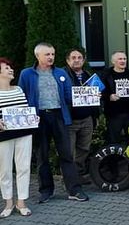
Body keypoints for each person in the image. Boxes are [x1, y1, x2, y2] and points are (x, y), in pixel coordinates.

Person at [18, 43, 88, 203]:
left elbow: (69, 95)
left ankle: (74, 190)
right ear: (38, 56)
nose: (51, 57)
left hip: (59, 116)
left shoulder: (60, 73)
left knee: (66, 155)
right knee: (42, 155)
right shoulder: (27, 74)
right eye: (47, 54)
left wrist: (87, 96)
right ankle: (46, 191)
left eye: (52, 54)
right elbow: (22, 96)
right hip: (38, 118)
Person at [0, 58, 34, 217]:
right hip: (3, 136)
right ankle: (8, 202)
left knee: (23, 167)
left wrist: (33, 119)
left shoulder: (19, 89)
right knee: (4, 170)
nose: (10, 69)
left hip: (24, 133)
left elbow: (25, 110)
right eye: (6, 68)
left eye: (10, 67)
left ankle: (21, 202)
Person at [65, 48, 100, 182]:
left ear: (83, 60)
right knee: (69, 151)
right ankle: (69, 179)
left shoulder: (89, 76)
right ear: (68, 61)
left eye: (79, 58)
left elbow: (97, 94)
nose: (76, 60)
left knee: (84, 149)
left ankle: (78, 175)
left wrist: (97, 96)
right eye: (73, 58)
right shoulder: (63, 75)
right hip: (70, 120)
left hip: (87, 119)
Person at [100, 51, 129, 144]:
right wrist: (109, 96)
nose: (123, 61)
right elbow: (101, 92)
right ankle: (115, 158)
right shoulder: (106, 74)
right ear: (113, 61)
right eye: (120, 59)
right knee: (113, 139)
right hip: (114, 113)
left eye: (124, 59)